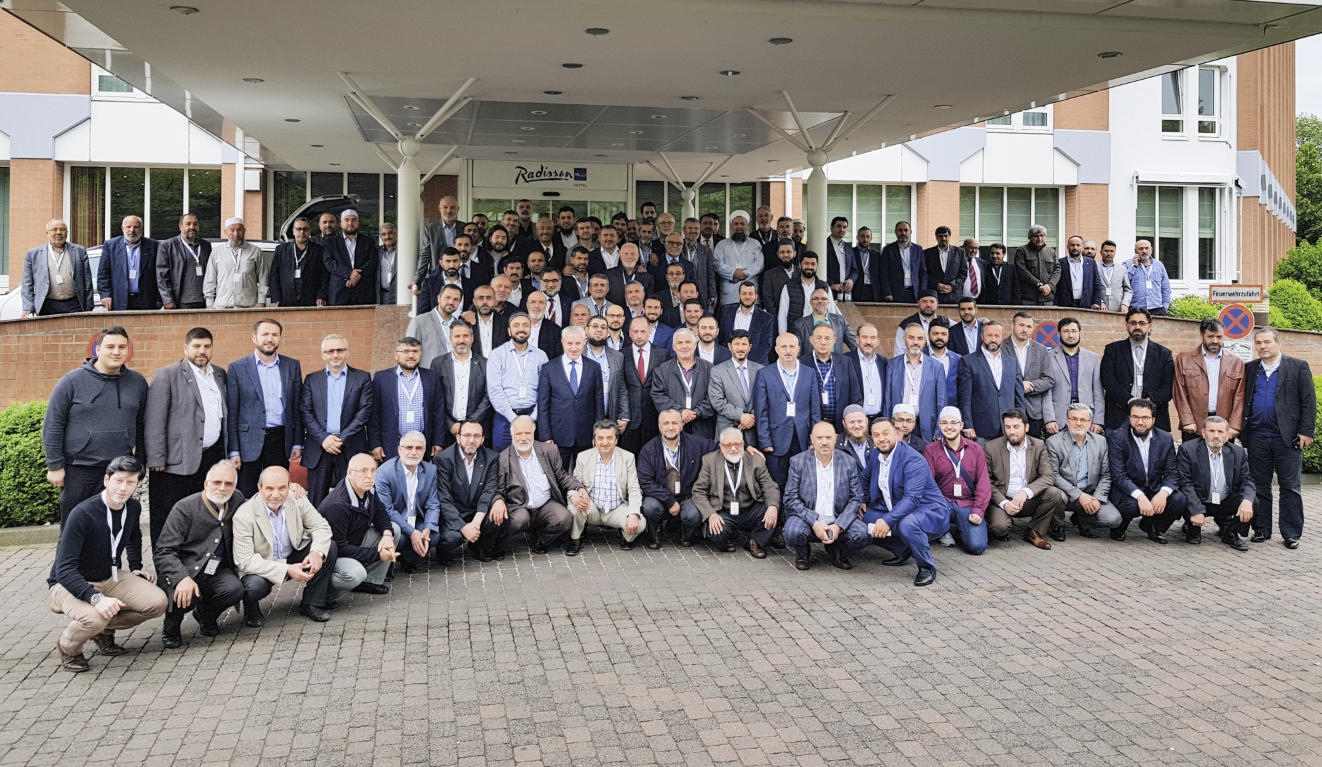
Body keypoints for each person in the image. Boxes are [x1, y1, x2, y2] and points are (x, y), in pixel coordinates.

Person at [46, 456, 167, 672]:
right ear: (106, 480)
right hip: (70, 582)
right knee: (94, 617)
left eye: (130, 482)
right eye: (118, 480)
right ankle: (69, 648)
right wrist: (96, 598)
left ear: (138, 484)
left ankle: (102, 632)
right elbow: (64, 569)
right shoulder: (82, 514)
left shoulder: (133, 507)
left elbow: (134, 536)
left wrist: (136, 566)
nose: (123, 488)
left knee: (158, 602)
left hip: (110, 576)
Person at [43, 326, 149, 524]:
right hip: (79, 469)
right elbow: (53, 424)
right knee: (75, 527)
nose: (116, 352)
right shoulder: (71, 381)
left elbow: (142, 424)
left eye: (122, 347)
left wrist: (140, 463)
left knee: (113, 526)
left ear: (128, 350)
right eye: (110, 347)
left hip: (119, 469)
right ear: (98, 349)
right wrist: (55, 465)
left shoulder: (137, 383)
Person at [145, 328, 229, 544]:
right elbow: (154, 419)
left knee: (202, 516)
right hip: (174, 462)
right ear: (185, 348)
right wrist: (156, 458)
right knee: (168, 517)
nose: (202, 351)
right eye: (196, 346)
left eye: (207, 346)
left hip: (211, 458)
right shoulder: (167, 375)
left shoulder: (219, 374)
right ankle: (165, 561)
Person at [154, 460, 250, 648]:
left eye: (228, 484)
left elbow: (261, 503)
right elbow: (163, 551)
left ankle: (206, 615)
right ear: (206, 484)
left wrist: (292, 490)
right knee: (185, 594)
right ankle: (171, 625)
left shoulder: (236, 499)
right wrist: (181, 578)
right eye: (217, 482)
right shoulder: (184, 508)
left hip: (218, 571)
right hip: (187, 570)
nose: (222, 488)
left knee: (234, 589)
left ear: (235, 486)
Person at [232, 466, 338, 623]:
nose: (276, 495)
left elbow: (320, 526)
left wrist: (316, 553)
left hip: (291, 555)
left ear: (289, 486)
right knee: (253, 586)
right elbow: (245, 560)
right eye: (269, 488)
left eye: (282, 488)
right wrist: (287, 569)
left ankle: (312, 602)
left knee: (328, 547)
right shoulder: (244, 515)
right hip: (263, 564)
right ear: (259, 488)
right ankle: (251, 608)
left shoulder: (297, 499)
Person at [1241, 327, 1316, 547]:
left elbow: (1308, 401)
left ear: (1278, 344)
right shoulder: (1250, 368)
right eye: (1258, 343)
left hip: (1288, 437)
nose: (1262, 346)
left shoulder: (1298, 366)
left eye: (1267, 342)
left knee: (1290, 487)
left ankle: (1291, 533)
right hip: (1257, 435)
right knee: (1259, 485)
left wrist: (1306, 431)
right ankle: (1261, 529)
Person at [863, 418, 948, 587]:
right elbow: (864, 479)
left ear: (896, 434)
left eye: (885, 433)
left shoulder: (912, 460)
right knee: (860, 517)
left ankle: (926, 567)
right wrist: (860, 500)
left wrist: (887, 520)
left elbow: (912, 498)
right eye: (876, 435)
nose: (881, 438)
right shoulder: (875, 455)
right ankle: (903, 549)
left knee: (906, 524)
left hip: (929, 511)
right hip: (898, 509)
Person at [227, 318, 303, 499]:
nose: (270, 339)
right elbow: (232, 412)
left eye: (275, 335)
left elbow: (296, 407)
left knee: (277, 491)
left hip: (280, 439)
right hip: (247, 442)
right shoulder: (237, 368)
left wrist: (297, 442)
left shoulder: (292, 366)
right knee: (246, 494)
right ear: (255, 338)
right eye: (265, 334)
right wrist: (233, 450)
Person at [784, 422, 868, 570]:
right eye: (819, 438)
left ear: (835, 438)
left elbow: (856, 498)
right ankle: (803, 553)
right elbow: (790, 498)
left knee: (864, 534)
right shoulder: (798, 461)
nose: (824, 442)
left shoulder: (848, 462)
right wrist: (814, 523)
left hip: (837, 518)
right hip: (808, 520)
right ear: (812, 439)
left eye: (828, 437)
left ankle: (838, 550)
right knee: (792, 532)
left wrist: (839, 526)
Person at [497, 415, 586, 555]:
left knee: (564, 518)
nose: (523, 438)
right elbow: (499, 489)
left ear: (533, 433)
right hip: (519, 507)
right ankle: (499, 545)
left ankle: (541, 538)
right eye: (519, 434)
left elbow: (562, 476)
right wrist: (498, 500)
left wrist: (578, 487)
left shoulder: (549, 450)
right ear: (512, 435)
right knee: (519, 519)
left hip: (545, 505)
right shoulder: (502, 458)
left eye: (527, 433)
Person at [301, 333, 372, 505]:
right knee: (316, 501)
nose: (335, 355)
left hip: (350, 446)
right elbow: (305, 411)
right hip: (320, 448)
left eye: (340, 350)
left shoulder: (362, 378)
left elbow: (364, 411)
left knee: (351, 499)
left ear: (347, 353)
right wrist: (324, 438)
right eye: (330, 351)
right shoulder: (311, 379)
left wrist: (342, 438)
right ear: (323, 355)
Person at [1107, 399, 1188, 544]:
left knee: (1179, 500)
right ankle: (1119, 528)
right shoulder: (1117, 438)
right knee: (1131, 506)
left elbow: (1171, 472)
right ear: (1129, 417)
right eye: (1135, 417)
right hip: (1127, 490)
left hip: (1153, 487)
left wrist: (1163, 493)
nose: (1140, 422)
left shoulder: (1165, 438)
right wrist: (1140, 497)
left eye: (1145, 417)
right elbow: (1119, 475)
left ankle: (1151, 525)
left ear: (1153, 420)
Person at [319, 455, 398, 600]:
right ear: (350, 473)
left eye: (373, 470)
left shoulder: (368, 489)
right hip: (331, 556)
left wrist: (387, 536)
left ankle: (369, 581)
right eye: (363, 471)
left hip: (355, 540)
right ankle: (322, 595)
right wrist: (377, 555)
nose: (369, 476)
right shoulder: (337, 505)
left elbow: (381, 513)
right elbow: (339, 548)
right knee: (355, 573)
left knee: (394, 530)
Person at [693, 428, 780, 557]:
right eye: (728, 445)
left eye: (737, 444)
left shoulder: (756, 460)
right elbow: (699, 492)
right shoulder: (709, 460)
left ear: (743, 444)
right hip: (724, 511)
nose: (733, 449)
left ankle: (755, 541)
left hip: (751, 510)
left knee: (775, 508)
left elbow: (769, 485)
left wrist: (772, 507)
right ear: (721, 446)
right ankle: (729, 536)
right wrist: (711, 514)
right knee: (716, 533)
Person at [637, 409, 717, 549]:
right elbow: (645, 482)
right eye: (666, 423)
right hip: (659, 497)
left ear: (681, 426)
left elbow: (722, 446)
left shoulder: (696, 443)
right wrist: (669, 501)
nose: (670, 427)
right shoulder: (648, 449)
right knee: (649, 507)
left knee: (693, 514)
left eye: (674, 423)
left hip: (686, 496)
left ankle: (687, 535)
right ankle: (653, 534)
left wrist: (747, 448)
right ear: (660, 426)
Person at [984, 409, 1062, 550]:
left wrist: (1026, 492)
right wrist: (1004, 503)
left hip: (1028, 500)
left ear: (1026, 427)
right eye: (1008, 427)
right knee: (999, 528)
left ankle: (1034, 531)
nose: (1012, 431)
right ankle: (1004, 526)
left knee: (1054, 493)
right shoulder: (991, 447)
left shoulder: (1038, 445)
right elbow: (986, 482)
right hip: (1002, 499)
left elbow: (1047, 476)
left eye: (1016, 427)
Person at [1176, 416, 1256, 551]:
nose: (1216, 436)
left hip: (1224, 500)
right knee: (1181, 497)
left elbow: (1247, 480)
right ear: (1203, 433)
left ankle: (1230, 532)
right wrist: (1196, 510)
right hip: (1200, 499)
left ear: (1227, 434)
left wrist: (1247, 500)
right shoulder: (1188, 450)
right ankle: (1193, 527)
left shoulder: (1237, 452)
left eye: (1220, 432)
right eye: (1212, 431)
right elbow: (1185, 483)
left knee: (1253, 501)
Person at [754, 333, 822, 491]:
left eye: (792, 347)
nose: (788, 351)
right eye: (784, 347)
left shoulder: (809, 373)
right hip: (776, 440)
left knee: (803, 484)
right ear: (777, 350)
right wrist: (765, 440)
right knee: (778, 483)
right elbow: (761, 410)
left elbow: (815, 410)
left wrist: (814, 439)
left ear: (798, 349)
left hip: (802, 438)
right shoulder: (764, 374)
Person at [1045, 403, 1121, 540]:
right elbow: (1054, 475)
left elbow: (1106, 475)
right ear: (1067, 420)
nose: (1078, 423)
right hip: (1065, 494)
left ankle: (1082, 519)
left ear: (1090, 422)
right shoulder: (1053, 442)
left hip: (1091, 494)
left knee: (1113, 519)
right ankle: (1057, 525)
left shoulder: (1100, 442)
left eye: (1083, 420)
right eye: (1074, 419)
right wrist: (1079, 495)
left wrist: (1098, 498)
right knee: (1056, 495)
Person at [433, 421, 506, 562]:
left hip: (476, 511)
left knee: (499, 518)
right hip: (454, 513)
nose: (471, 440)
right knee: (450, 538)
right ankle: (443, 551)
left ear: (482, 439)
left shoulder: (491, 457)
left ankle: (478, 545)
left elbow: (489, 490)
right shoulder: (443, 459)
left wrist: (475, 524)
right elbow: (444, 499)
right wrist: (464, 527)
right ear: (458, 438)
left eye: (476, 436)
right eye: (467, 435)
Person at [569, 421, 646, 553]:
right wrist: (574, 495)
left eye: (609, 438)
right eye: (600, 438)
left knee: (640, 523)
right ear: (594, 441)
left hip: (617, 509)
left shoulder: (628, 457)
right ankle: (575, 538)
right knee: (574, 506)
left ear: (616, 440)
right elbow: (574, 484)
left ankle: (626, 537)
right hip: (592, 507)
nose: (605, 442)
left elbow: (634, 489)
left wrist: (633, 513)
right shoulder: (583, 457)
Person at [924, 407, 991, 555]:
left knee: (977, 547)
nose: (949, 427)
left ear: (961, 426)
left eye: (953, 423)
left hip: (968, 503)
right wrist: (936, 504)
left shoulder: (976, 449)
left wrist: (979, 510)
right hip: (943, 503)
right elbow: (929, 483)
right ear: (939, 426)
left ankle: (958, 529)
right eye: (944, 423)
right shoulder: (931, 449)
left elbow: (984, 483)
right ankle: (943, 529)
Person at [538, 325, 606, 468]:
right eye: (569, 343)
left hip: (586, 434)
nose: (574, 348)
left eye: (578, 343)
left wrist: (598, 434)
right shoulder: (549, 368)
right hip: (558, 434)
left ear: (584, 343)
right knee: (558, 475)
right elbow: (543, 406)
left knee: (585, 474)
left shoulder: (594, 367)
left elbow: (598, 403)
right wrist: (546, 436)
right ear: (562, 343)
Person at [376, 431, 445, 570]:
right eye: (409, 447)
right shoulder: (385, 472)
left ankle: (408, 558)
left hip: (417, 519)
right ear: (399, 450)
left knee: (433, 536)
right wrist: (412, 532)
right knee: (400, 537)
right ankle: (387, 565)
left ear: (424, 451)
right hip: (395, 521)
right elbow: (387, 509)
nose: (414, 452)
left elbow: (432, 503)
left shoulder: (430, 470)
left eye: (418, 448)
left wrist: (428, 528)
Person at [1100, 308, 1175, 433]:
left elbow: (1169, 386)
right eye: (1133, 323)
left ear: (1150, 326)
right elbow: (1108, 380)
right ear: (1127, 325)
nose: (1137, 327)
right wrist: (1129, 400)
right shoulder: (1113, 350)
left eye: (1142, 323)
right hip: (1120, 415)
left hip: (1153, 416)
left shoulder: (1164, 354)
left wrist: (1149, 403)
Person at [369, 337, 444, 460]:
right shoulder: (382, 378)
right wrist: (375, 444)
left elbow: (438, 413)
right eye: (406, 351)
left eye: (415, 351)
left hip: (422, 444)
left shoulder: (432, 378)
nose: (411, 355)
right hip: (391, 444)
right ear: (396, 355)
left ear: (420, 354)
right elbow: (374, 415)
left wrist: (438, 442)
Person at [1172, 318, 1245, 439]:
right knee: (1192, 452)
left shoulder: (1236, 362)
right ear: (1201, 336)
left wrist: (1234, 425)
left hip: (1223, 425)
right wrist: (1187, 420)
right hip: (1194, 424)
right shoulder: (1184, 359)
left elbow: (1240, 396)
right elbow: (1179, 392)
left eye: (1219, 337)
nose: (1215, 341)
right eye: (1210, 336)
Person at [487, 312, 549, 451]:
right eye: (516, 325)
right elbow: (495, 390)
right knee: (502, 458)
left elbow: (545, 390)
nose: (521, 329)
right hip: (504, 418)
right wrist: (514, 418)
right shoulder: (497, 355)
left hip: (533, 416)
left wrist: (533, 417)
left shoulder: (541, 355)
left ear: (530, 330)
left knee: (532, 458)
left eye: (525, 325)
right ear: (509, 330)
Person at [433, 320, 491, 448]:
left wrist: (471, 423)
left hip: (477, 430)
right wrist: (450, 424)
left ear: (472, 338)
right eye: (457, 336)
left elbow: (488, 396)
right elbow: (435, 398)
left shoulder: (485, 364)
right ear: (450, 339)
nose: (461, 340)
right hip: (447, 431)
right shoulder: (438, 364)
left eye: (465, 336)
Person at [650, 328, 716, 439]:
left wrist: (696, 413)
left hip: (702, 426)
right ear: (673, 347)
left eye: (688, 342)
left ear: (695, 345)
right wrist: (680, 412)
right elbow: (658, 395)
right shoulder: (662, 370)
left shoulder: (709, 369)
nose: (684, 346)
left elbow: (714, 396)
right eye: (680, 343)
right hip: (673, 427)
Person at [1044, 318, 1104, 438]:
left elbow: (1098, 391)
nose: (1070, 335)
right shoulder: (1048, 357)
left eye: (1074, 331)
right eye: (1066, 331)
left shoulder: (1092, 358)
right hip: (1058, 417)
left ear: (1080, 333)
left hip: (1086, 415)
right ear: (1059, 334)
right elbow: (1046, 391)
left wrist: (1098, 420)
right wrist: (1049, 419)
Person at [888, 323, 948, 442]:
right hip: (899, 425)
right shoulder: (892, 364)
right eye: (911, 338)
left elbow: (942, 401)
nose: (916, 342)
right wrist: (887, 426)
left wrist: (939, 430)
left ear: (925, 341)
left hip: (927, 426)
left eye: (920, 338)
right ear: (904, 340)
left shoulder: (936, 367)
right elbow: (887, 399)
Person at [21, 218, 93, 317]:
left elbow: (87, 280)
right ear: (47, 233)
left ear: (67, 233)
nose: (58, 232)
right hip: (46, 304)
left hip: (74, 304)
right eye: (54, 229)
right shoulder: (33, 254)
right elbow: (27, 283)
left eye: (62, 229)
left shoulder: (79, 251)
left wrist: (89, 303)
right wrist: (28, 306)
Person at [709, 330, 762, 448]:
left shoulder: (760, 370)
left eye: (744, 344)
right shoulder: (718, 371)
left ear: (749, 347)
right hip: (728, 431)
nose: (740, 348)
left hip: (754, 432)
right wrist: (741, 416)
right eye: (737, 344)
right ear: (730, 346)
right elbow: (717, 400)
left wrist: (752, 417)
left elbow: (765, 399)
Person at [805, 323, 861, 432]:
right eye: (819, 338)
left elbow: (855, 395)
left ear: (834, 341)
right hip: (812, 426)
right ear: (812, 340)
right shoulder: (802, 363)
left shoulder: (846, 362)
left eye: (827, 338)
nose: (823, 342)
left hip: (840, 426)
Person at [1007, 311, 1056, 437]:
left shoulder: (1041, 350)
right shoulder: (1001, 348)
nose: (1025, 330)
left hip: (1033, 412)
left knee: (1033, 447)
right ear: (1012, 326)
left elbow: (1049, 379)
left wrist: (1031, 386)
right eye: (1021, 325)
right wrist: (1019, 386)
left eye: (1029, 326)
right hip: (1008, 409)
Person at [98, 215, 160, 311]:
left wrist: (159, 298)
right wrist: (105, 295)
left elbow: (160, 274)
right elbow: (103, 273)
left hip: (147, 300)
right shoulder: (110, 246)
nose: (132, 230)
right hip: (119, 300)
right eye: (128, 227)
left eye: (136, 227)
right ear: (123, 228)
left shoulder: (154, 246)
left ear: (142, 228)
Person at [204, 218, 267, 308]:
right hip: (222, 306)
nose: (236, 234)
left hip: (249, 306)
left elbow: (263, 277)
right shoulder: (217, 252)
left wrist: (262, 302)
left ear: (244, 231)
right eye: (232, 230)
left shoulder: (255, 251)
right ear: (225, 231)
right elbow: (210, 280)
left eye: (239, 230)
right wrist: (209, 304)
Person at [267, 217, 328, 307]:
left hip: (312, 299)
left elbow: (325, 276)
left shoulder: (319, 250)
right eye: (299, 229)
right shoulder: (281, 250)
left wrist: (321, 295)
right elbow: (274, 275)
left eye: (305, 229)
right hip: (286, 298)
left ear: (310, 231)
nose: (302, 232)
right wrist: (276, 298)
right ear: (293, 231)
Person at [323, 210, 380, 306]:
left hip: (363, 292)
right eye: (347, 220)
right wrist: (349, 273)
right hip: (339, 292)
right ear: (341, 224)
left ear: (358, 223)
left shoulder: (368, 241)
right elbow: (329, 262)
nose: (350, 223)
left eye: (354, 220)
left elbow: (372, 261)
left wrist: (356, 276)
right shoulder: (331, 242)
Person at [584, 316, 630, 432]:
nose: (599, 330)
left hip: (609, 417)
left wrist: (624, 416)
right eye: (595, 326)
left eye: (603, 327)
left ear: (607, 332)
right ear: (586, 330)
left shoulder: (617, 356)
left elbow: (621, 387)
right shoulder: (578, 354)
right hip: (582, 418)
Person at [157, 213, 211, 309]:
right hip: (180, 301)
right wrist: (168, 299)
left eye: (195, 224)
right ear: (180, 226)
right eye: (188, 224)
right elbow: (162, 275)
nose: (192, 227)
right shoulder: (167, 246)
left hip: (204, 301)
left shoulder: (205, 246)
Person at [713, 211, 765, 311]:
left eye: (742, 223)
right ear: (731, 226)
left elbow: (759, 265)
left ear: (747, 225)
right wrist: (733, 273)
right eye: (736, 224)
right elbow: (717, 264)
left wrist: (742, 274)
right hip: (729, 296)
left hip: (751, 295)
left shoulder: (755, 244)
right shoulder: (722, 245)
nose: (739, 227)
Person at [777, 252, 833, 335]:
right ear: (800, 265)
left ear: (817, 266)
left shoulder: (824, 287)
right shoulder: (789, 286)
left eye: (813, 264)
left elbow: (831, 313)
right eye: (806, 263)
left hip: (819, 334)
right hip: (796, 333)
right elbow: (782, 314)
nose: (809, 267)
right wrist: (783, 336)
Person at [415, 195, 462, 291]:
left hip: (460, 276)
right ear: (440, 209)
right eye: (445, 207)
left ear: (458, 209)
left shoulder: (464, 228)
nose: (448, 210)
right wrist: (417, 280)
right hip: (437, 277)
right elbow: (425, 255)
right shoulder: (430, 229)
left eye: (452, 207)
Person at [720, 281, 774, 364]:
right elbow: (721, 339)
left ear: (756, 296)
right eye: (744, 293)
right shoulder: (727, 313)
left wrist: (745, 363)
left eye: (750, 294)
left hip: (756, 364)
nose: (747, 297)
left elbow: (766, 345)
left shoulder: (766, 318)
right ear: (739, 296)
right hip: (730, 363)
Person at [409, 283, 462, 365]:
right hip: (428, 372)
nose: (451, 302)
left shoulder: (460, 326)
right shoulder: (419, 322)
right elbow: (409, 354)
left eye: (456, 299)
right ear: (439, 298)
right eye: (447, 297)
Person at [792, 288, 856, 355]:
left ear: (828, 302)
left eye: (823, 299)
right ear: (810, 303)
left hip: (836, 361)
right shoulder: (799, 324)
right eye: (816, 299)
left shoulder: (840, 321)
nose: (820, 301)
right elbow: (797, 353)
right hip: (811, 362)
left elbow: (854, 344)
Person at [847, 324, 888, 420]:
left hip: (879, 419)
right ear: (857, 340)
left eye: (873, 338)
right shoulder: (846, 360)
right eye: (864, 337)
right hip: (856, 421)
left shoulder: (883, 362)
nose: (868, 342)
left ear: (878, 341)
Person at [878, 221, 925, 304]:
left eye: (906, 230)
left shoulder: (918, 249)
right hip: (895, 293)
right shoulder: (888, 250)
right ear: (896, 232)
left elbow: (923, 273)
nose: (903, 233)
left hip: (914, 293)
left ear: (910, 232)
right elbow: (883, 273)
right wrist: (887, 292)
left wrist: (922, 293)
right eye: (900, 230)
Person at [1014, 225, 1059, 306]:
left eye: (1042, 235)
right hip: (1029, 297)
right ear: (1030, 237)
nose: (1039, 239)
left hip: (1047, 297)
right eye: (1036, 236)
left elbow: (1057, 270)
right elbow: (1021, 270)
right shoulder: (1022, 251)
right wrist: (1038, 284)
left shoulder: (1051, 252)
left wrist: (1050, 286)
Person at [922, 225, 967, 305]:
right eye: (940, 236)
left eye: (946, 236)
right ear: (936, 237)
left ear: (950, 236)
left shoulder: (960, 252)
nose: (943, 239)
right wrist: (936, 285)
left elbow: (963, 273)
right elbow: (924, 274)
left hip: (954, 297)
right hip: (934, 297)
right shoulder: (927, 253)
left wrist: (952, 286)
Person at [1055, 235, 1103, 309]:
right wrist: (1055, 303)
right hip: (1065, 304)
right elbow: (1056, 284)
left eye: (1078, 245)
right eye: (1072, 245)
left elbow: (1097, 284)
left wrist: (1096, 302)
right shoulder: (1060, 262)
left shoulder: (1091, 263)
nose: (1075, 248)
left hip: (1086, 304)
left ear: (1082, 247)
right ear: (1067, 247)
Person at [1125, 239, 1172, 315]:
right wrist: (1134, 266)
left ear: (1151, 249)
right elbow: (1123, 283)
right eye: (1141, 249)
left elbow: (1165, 287)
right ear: (1135, 251)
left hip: (1156, 308)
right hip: (1135, 308)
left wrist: (1165, 306)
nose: (1144, 251)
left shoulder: (1159, 265)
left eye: (1146, 248)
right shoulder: (1127, 264)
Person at [892, 291, 942, 357]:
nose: (928, 305)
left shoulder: (946, 323)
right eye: (924, 301)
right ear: (918, 303)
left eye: (932, 302)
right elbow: (899, 353)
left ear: (937, 304)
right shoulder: (906, 325)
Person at [823, 216, 859, 301]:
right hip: (827, 292)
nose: (842, 229)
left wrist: (851, 280)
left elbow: (855, 270)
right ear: (831, 228)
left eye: (844, 227)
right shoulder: (823, 245)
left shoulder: (849, 248)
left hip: (845, 294)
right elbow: (818, 269)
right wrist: (830, 284)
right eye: (839, 226)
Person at [926, 321, 960, 404]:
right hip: (925, 407)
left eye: (944, 334)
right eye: (935, 333)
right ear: (928, 335)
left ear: (948, 336)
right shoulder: (920, 356)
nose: (940, 337)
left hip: (950, 408)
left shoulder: (958, 359)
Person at [1095, 240, 1132, 313]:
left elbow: (1128, 290)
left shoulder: (1122, 269)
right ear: (1101, 252)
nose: (1109, 253)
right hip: (1099, 308)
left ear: (1115, 253)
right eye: (1106, 251)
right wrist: (1099, 301)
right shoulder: (1094, 267)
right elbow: (1091, 288)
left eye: (1111, 251)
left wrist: (1125, 304)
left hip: (1118, 309)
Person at [835, 405, 874, 474]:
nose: (856, 426)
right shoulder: (836, 445)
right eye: (852, 422)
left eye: (860, 421)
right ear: (844, 423)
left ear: (866, 421)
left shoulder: (875, 443)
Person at [852, 227, 882, 303]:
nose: (865, 239)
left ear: (871, 238)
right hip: (856, 289)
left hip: (873, 290)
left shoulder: (877, 255)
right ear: (857, 237)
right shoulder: (851, 252)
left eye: (868, 237)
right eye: (862, 236)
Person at [378, 223, 399, 305]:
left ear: (396, 234)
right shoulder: (377, 252)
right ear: (381, 237)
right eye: (383, 234)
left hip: (399, 295)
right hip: (382, 297)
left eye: (390, 233)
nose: (387, 237)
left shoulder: (403, 250)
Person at [960, 237, 983, 302]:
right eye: (971, 247)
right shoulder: (957, 261)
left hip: (977, 300)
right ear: (963, 247)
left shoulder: (982, 263)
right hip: (960, 299)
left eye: (976, 248)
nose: (973, 250)